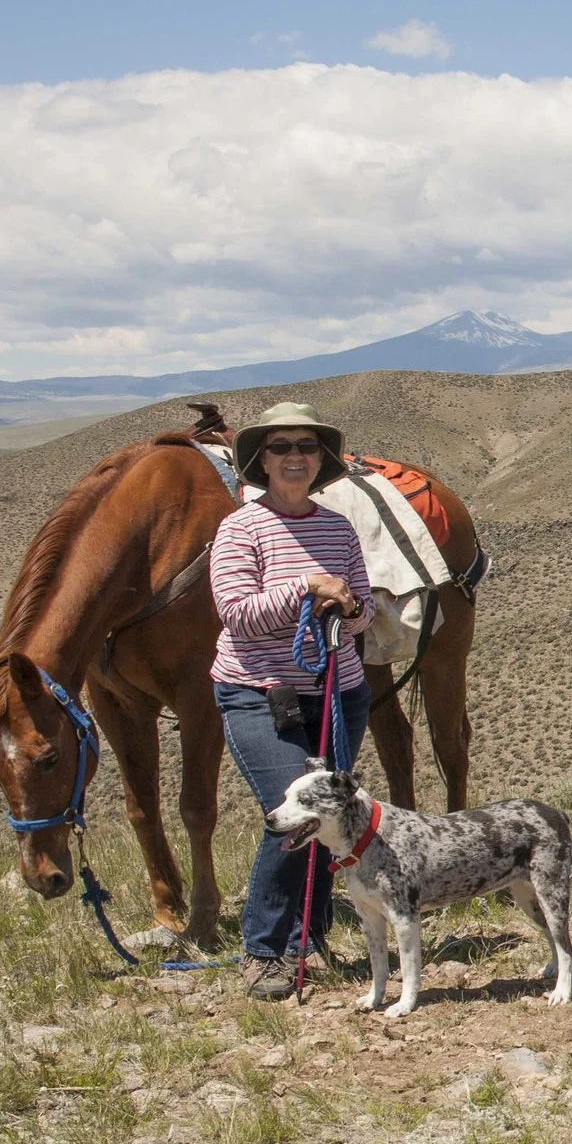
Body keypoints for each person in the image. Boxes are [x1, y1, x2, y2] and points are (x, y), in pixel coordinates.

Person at [211, 401, 375, 1000]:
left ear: (320, 459)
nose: (295, 457)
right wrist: (306, 588)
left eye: (305, 446)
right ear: (262, 460)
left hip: (339, 691)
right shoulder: (239, 529)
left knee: (326, 815)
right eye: (280, 447)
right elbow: (238, 616)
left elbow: (365, 612)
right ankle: (264, 950)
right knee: (291, 814)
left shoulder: (338, 528)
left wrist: (351, 609)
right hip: (260, 694)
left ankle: (309, 937)